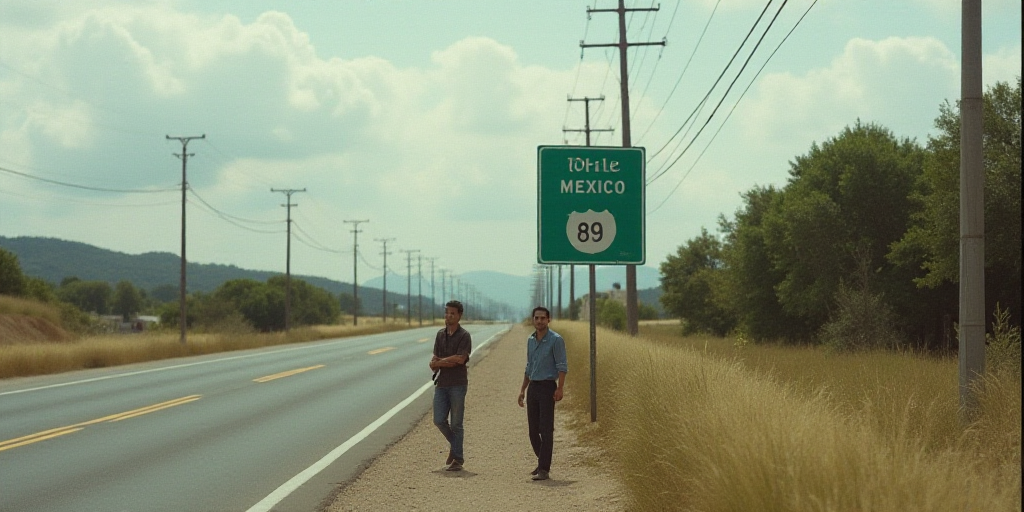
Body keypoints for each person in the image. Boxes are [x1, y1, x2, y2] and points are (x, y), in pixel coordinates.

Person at [517, 306, 567, 481]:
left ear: (548, 320)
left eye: (542, 318)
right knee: (533, 430)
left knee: (546, 430)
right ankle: (542, 462)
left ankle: (544, 469)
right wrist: (522, 390)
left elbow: (562, 366)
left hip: (547, 387)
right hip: (533, 387)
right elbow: (529, 367)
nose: (539, 321)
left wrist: (560, 388)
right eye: (536, 318)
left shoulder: (556, 340)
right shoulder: (531, 340)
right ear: (533, 320)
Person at [429, 300, 472, 471]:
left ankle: (458, 459)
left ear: (459, 315)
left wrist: (442, 362)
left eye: (452, 313)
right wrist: (442, 362)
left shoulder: (464, 336)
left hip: (458, 384)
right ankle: (456, 448)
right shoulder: (440, 335)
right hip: (442, 383)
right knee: (438, 419)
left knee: (456, 423)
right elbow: (434, 361)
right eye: (447, 312)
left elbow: (460, 359)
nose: (448, 316)